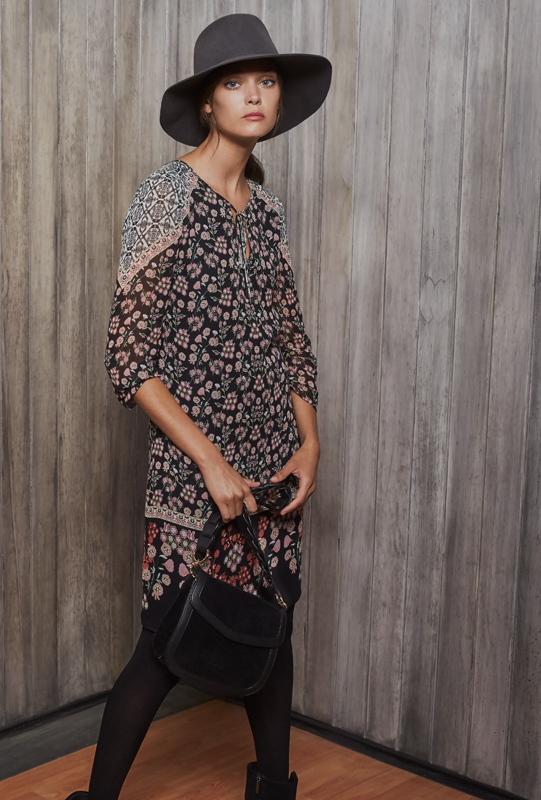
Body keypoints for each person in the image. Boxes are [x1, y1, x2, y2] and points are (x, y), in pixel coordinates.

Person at [66, 15, 332, 800]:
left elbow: (292, 339)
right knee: (166, 638)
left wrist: (309, 443)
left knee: (270, 624)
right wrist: (210, 462)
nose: (254, 94)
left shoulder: (268, 210)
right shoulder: (166, 195)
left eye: (266, 81)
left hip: (274, 459)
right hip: (195, 466)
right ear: (207, 104)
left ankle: (273, 788)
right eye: (234, 82)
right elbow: (129, 356)